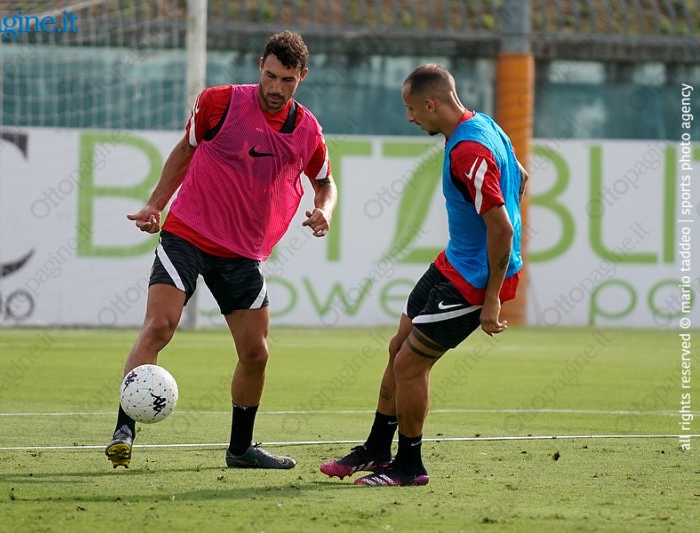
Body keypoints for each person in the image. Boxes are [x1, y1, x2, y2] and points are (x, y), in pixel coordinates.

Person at [105, 30, 337, 469]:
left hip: (242, 253)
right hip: (187, 235)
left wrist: (325, 210)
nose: (276, 88)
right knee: (159, 327)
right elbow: (185, 150)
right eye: (270, 76)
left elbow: (325, 181)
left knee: (256, 353)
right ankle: (124, 430)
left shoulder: (306, 130)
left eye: (287, 80)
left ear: (302, 77)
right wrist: (155, 205)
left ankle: (241, 450)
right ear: (260, 67)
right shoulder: (219, 102)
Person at [320, 63, 528, 486]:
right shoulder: (483, 124)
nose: (410, 117)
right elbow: (521, 176)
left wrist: (491, 298)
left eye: (412, 109)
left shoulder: (468, 151)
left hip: (475, 280)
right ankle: (377, 449)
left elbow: (503, 229)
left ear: (431, 104)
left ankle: (410, 466)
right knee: (398, 347)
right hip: (454, 261)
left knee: (411, 364)